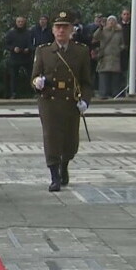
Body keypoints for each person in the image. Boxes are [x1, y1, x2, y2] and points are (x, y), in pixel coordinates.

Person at [31, 10, 93, 192]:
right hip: (49, 100)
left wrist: (85, 101)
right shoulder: (44, 51)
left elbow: (86, 81)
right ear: (52, 30)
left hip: (71, 100)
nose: (61, 31)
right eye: (58, 27)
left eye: (65, 27)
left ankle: (64, 164)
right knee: (51, 137)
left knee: (70, 140)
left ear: (72, 29)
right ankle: (54, 175)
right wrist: (37, 83)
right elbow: (34, 76)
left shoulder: (80, 51)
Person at [92, 15, 125, 99]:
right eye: (110, 20)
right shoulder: (103, 31)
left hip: (115, 57)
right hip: (105, 56)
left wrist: (119, 49)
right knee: (104, 75)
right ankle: (103, 93)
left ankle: (115, 93)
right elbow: (95, 36)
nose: (111, 22)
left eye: (113, 20)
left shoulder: (119, 32)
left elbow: (122, 43)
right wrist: (100, 28)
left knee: (115, 76)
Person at [4, 16, 32, 98]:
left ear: (24, 22)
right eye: (19, 22)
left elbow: (32, 43)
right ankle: (13, 93)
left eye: (22, 22)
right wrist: (13, 48)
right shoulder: (11, 33)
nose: (20, 23)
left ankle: (33, 93)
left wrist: (29, 49)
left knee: (31, 75)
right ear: (16, 23)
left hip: (27, 57)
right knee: (13, 77)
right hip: (15, 58)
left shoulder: (29, 32)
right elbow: (6, 44)